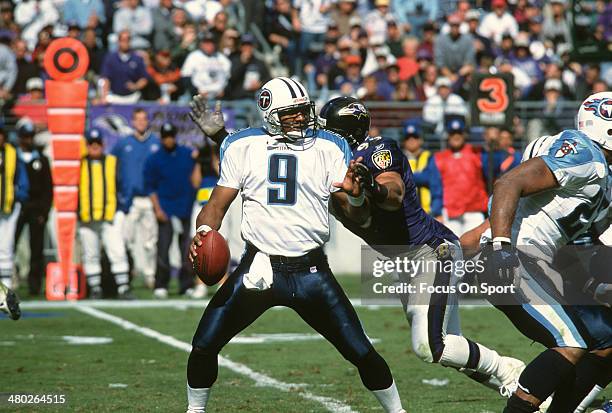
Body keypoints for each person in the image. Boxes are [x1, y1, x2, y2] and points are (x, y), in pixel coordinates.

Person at [186, 78, 406, 413]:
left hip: (311, 272)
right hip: (259, 269)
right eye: (291, 114)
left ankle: (398, 411)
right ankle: (195, 411)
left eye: (304, 112)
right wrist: (204, 230)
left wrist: (358, 195)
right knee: (203, 345)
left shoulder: (329, 145)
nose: (301, 120)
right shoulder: (242, 145)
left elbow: (354, 214)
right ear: (270, 113)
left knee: (361, 351)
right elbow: (217, 204)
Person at [318, 96, 525, 396]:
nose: (320, 137)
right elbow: (360, 218)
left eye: (327, 130)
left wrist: (371, 187)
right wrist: (354, 195)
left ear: (344, 132)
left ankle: (509, 370)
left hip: (431, 249)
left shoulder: (376, 151)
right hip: (403, 261)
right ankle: (523, 391)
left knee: (431, 345)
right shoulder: (331, 167)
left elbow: (394, 193)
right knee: (448, 345)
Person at [461, 92, 612, 413]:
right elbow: (508, 183)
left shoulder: (601, 174)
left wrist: (591, 286)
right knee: (570, 343)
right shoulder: (583, 152)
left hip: (535, 260)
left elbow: (567, 242)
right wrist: (501, 248)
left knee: (605, 340)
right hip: (512, 257)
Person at [78, 129, 133, 300]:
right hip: (87, 216)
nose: (95, 146)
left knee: (117, 250)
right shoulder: (79, 164)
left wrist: (122, 209)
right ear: (87, 145)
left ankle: (123, 287)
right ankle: (95, 288)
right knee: (90, 253)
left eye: (98, 143)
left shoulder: (112, 162)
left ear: (103, 145)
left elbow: (124, 185)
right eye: (91, 143)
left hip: (110, 215)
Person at [144, 122, 196, 299]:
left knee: (187, 250)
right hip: (165, 209)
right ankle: (161, 283)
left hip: (185, 208)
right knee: (163, 249)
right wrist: (157, 209)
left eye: (171, 136)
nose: (169, 140)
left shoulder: (186, 154)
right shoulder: (154, 158)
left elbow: (196, 177)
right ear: (161, 137)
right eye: (165, 136)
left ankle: (186, 284)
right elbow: (150, 187)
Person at [111, 108, 160, 289]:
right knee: (126, 239)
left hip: (149, 198)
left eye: (143, 119)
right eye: (137, 119)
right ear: (132, 122)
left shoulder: (155, 142)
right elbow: (112, 167)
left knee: (150, 241)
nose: (140, 122)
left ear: (147, 121)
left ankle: (150, 275)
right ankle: (128, 273)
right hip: (129, 200)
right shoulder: (123, 144)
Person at [14, 120, 52, 296]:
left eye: (30, 137)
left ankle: (34, 285)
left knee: (36, 248)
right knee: (8, 246)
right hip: (16, 206)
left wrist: (44, 211)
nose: (28, 140)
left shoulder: (41, 159)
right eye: (25, 137)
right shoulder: (12, 157)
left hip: (36, 207)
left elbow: (47, 188)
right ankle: (9, 280)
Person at [435, 119, 488, 236]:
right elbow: (436, 186)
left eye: (459, 133)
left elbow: (494, 166)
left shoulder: (477, 153)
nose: (456, 136)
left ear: (464, 135)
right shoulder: (439, 158)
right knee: (453, 249)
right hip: (450, 211)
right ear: (448, 136)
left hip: (474, 210)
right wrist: (437, 211)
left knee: (475, 250)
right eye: (453, 133)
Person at [0, 127, 28, 291]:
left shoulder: (12, 153)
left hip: (8, 208)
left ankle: (6, 285)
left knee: (5, 246)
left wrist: (20, 196)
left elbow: (22, 179)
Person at [400, 119, 443, 219]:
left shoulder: (429, 157)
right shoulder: (399, 157)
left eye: (415, 137)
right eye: (408, 138)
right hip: (406, 214)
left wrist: (437, 212)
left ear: (421, 139)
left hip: (428, 213)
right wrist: (422, 176)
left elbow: (434, 182)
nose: (411, 140)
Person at [99, 30, 149, 104]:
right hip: (115, 97)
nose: (125, 42)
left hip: (133, 97)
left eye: (128, 39)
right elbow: (105, 78)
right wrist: (104, 96)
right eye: (123, 40)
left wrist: (135, 86)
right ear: (118, 41)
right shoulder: (110, 58)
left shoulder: (137, 58)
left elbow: (144, 79)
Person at [181, 31, 231, 99]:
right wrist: (196, 92)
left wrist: (224, 91)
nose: (209, 45)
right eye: (206, 42)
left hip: (218, 97)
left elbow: (229, 79)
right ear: (201, 44)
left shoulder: (222, 59)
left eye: (211, 42)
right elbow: (185, 77)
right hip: (197, 97)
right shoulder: (193, 56)